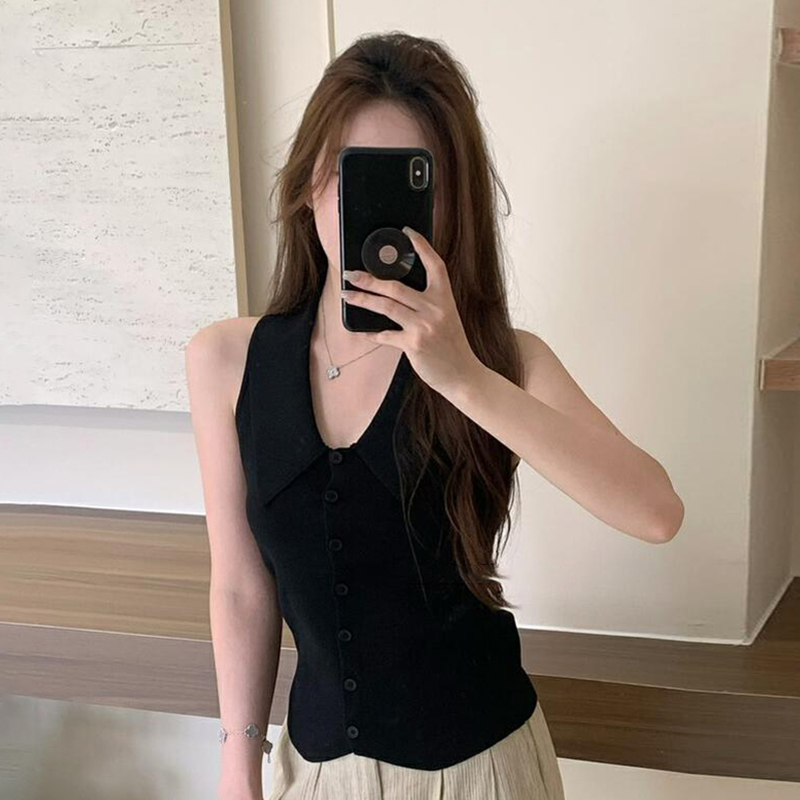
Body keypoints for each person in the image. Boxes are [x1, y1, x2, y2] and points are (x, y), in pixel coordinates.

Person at [185, 31, 684, 800]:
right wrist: (236, 766)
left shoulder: (502, 360)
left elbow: (656, 512)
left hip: (484, 772)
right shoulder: (227, 361)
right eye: (352, 175)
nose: (371, 211)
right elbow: (241, 586)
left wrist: (465, 378)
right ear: (309, 183)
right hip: (315, 774)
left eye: (411, 184)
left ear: (448, 206)